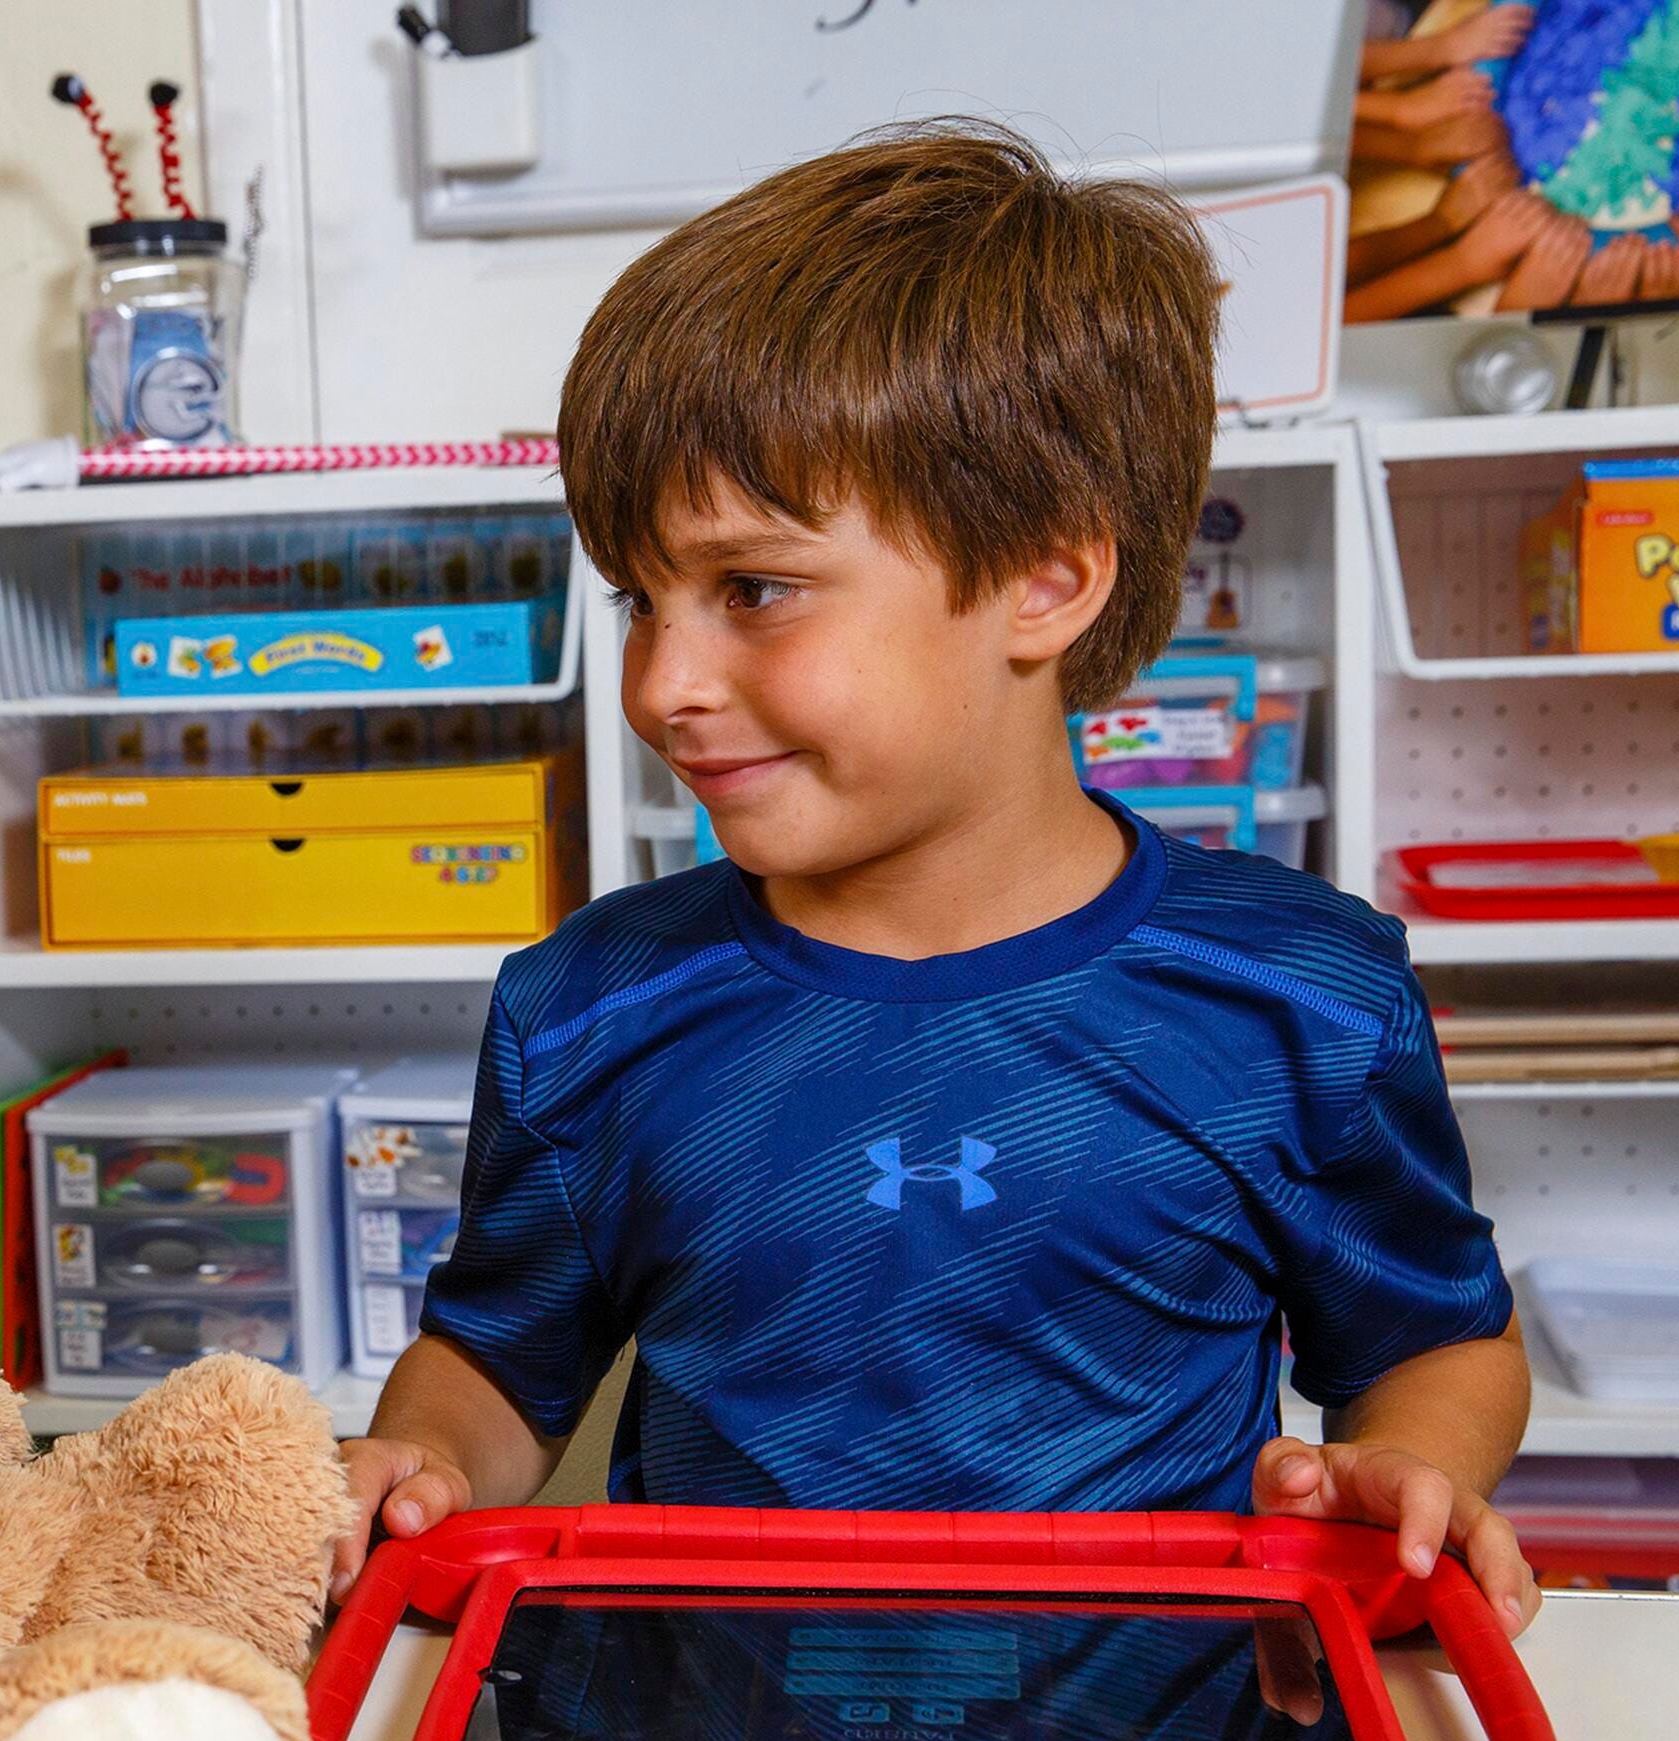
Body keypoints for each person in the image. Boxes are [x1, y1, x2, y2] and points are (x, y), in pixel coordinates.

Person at [333, 123, 1541, 1651]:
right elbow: (500, 1362)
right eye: (641, 597)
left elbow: (1437, 1343)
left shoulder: (1304, 997)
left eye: (753, 589)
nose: (661, 683)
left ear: (1045, 578)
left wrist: (1412, 1468)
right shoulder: (583, 1008)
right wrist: (423, 1462)